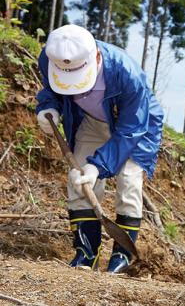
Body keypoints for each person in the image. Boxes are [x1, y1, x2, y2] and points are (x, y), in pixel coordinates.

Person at [35, 24, 164, 273]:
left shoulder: (127, 73)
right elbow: (50, 88)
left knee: (128, 181)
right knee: (79, 180)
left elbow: (130, 131)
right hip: (90, 120)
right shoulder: (50, 56)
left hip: (136, 125)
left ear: (95, 57)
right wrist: (49, 107)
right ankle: (86, 252)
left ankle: (122, 257)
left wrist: (98, 166)